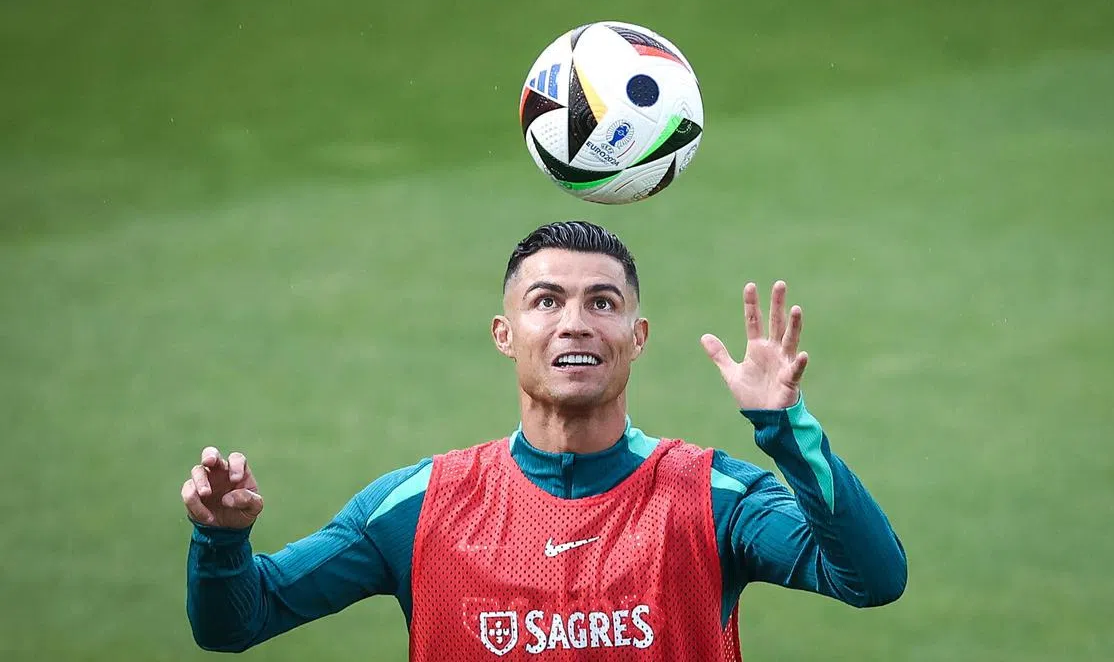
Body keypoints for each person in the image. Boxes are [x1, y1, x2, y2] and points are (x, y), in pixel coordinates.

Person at [182, 220, 907, 659]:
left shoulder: (712, 498)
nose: (575, 322)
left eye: (602, 302)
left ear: (637, 336)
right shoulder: (420, 507)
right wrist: (220, 542)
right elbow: (238, 621)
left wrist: (787, 433)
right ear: (506, 336)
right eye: (545, 301)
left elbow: (873, 580)